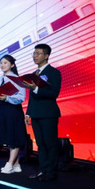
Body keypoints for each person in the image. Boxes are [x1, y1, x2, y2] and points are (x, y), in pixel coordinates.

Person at [25, 44, 62, 181]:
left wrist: (36, 88)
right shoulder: (34, 74)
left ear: (46, 56)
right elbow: (32, 97)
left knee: (50, 143)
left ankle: (51, 172)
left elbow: (54, 93)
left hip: (48, 113)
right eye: (34, 53)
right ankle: (43, 170)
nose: (35, 56)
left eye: (38, 53)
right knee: (40, 144)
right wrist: (28, 113)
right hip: (35, 113)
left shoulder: (54, 72)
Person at [0, 55, 29, 174]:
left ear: (12, 65)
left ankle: (9, 164)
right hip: (2, 109)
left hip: (13, 110)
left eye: (5, 63)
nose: (2, 65)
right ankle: (16, 164)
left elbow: (21, 97)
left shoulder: (17, 79)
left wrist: (7, 97)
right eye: (1, 63)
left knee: (14, 136)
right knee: (8, 137)